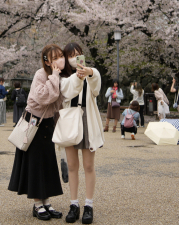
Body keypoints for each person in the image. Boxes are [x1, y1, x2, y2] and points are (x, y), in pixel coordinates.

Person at [8, 44, 64, 221]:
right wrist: (54, 77)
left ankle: (46, 201)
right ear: (47, 61)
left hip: (47, 124)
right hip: (34, 123)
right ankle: (37, 204)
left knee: (47, 163)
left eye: (60, 56)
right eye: (54, 58)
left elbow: (59, 100)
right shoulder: (41, 74)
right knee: (35, 164)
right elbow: (44, 96)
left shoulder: (61, 76)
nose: (58, 60)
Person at [59, 43, 104, 225]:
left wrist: (90, 72)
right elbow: (68, 91)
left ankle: (89, 205)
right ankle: (73, 204)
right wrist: (78, 77)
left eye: (77, 54)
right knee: (71, 165)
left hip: (87, 120)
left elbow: (96, 89)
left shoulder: (90, 73)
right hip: (70, 120)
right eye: (71, 55)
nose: (74, 57)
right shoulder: (62, 78)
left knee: (88, 165)